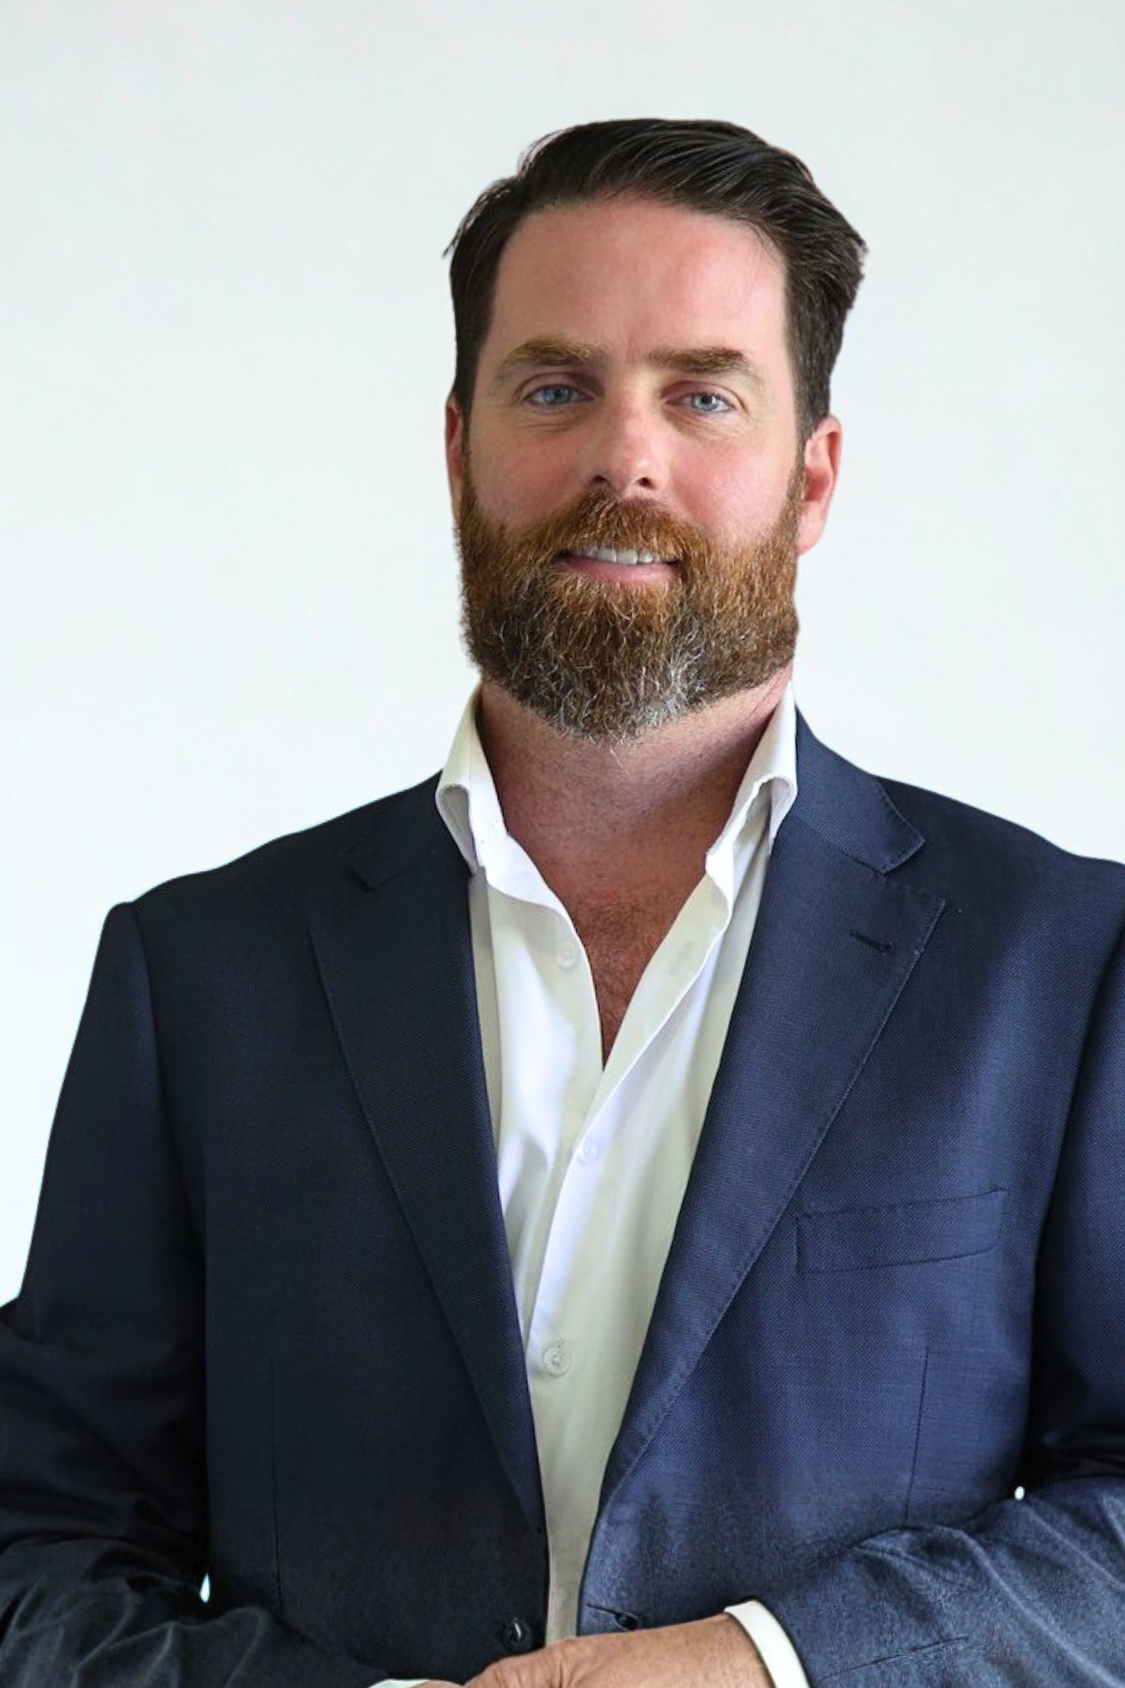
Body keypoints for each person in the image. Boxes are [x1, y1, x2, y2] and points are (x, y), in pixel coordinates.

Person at [1, 117, 1123, 1688]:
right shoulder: (199, 976)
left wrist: (769, 1665)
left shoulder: (1061, 965)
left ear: (813, 479)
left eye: (702, 394)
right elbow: (38, 1550)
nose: (625, 457)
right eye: (555, 389)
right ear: (458, 448)